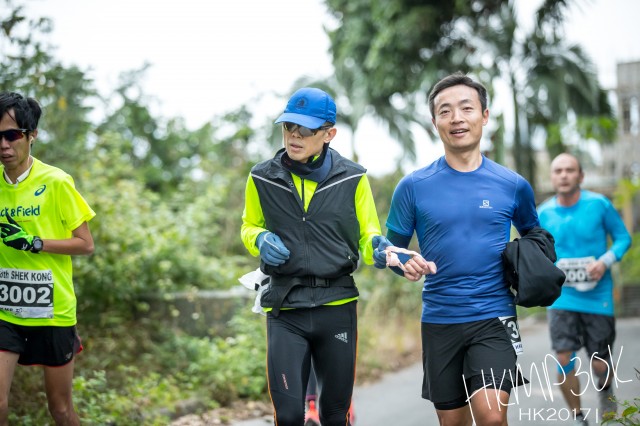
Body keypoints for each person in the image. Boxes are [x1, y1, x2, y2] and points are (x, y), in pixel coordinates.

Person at [374, 72, 540, 426]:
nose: (456, 118)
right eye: (445, 111)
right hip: (440, 319)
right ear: (434, 122)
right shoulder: (413, 186)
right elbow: (391, 251)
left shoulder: (513, 185)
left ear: (484, 115)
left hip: (495, 316)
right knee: (452, 423)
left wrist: (533, 274)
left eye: (466, 108)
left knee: (492, 417)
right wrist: (401, 262)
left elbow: (535, 238)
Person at [240, 87, 381, 426]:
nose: (294, 135)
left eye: (305, 129)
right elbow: (248, 225)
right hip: (286, 308)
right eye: (288, 126)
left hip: (337, 306)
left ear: (329, 134)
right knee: (289, 416)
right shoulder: (262, 177)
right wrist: (260, 238)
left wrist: (380, 249)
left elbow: (368, 235)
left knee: (334, 415)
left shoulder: (354, 177)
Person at [0, 92, 96, 426]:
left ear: (32, 135)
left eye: (12, 135)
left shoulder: (56, 181)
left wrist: (35, 243)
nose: (3, 145)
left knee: (60, 410)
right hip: (5, 310)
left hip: (52, 311)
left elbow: (85, 244)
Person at [538, 153, 631, 425]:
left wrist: (605, 261)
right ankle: (579, 418)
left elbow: (623, 238)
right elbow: (534, 251)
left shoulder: (599, 204)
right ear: (552, 177)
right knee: (563, 357)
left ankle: (606, 391)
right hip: (562, 297)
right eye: (558, 171)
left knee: (600, 363)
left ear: (581, 176)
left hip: (597, 296)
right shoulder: (543, 213)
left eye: (570, 170)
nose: (564, 175)